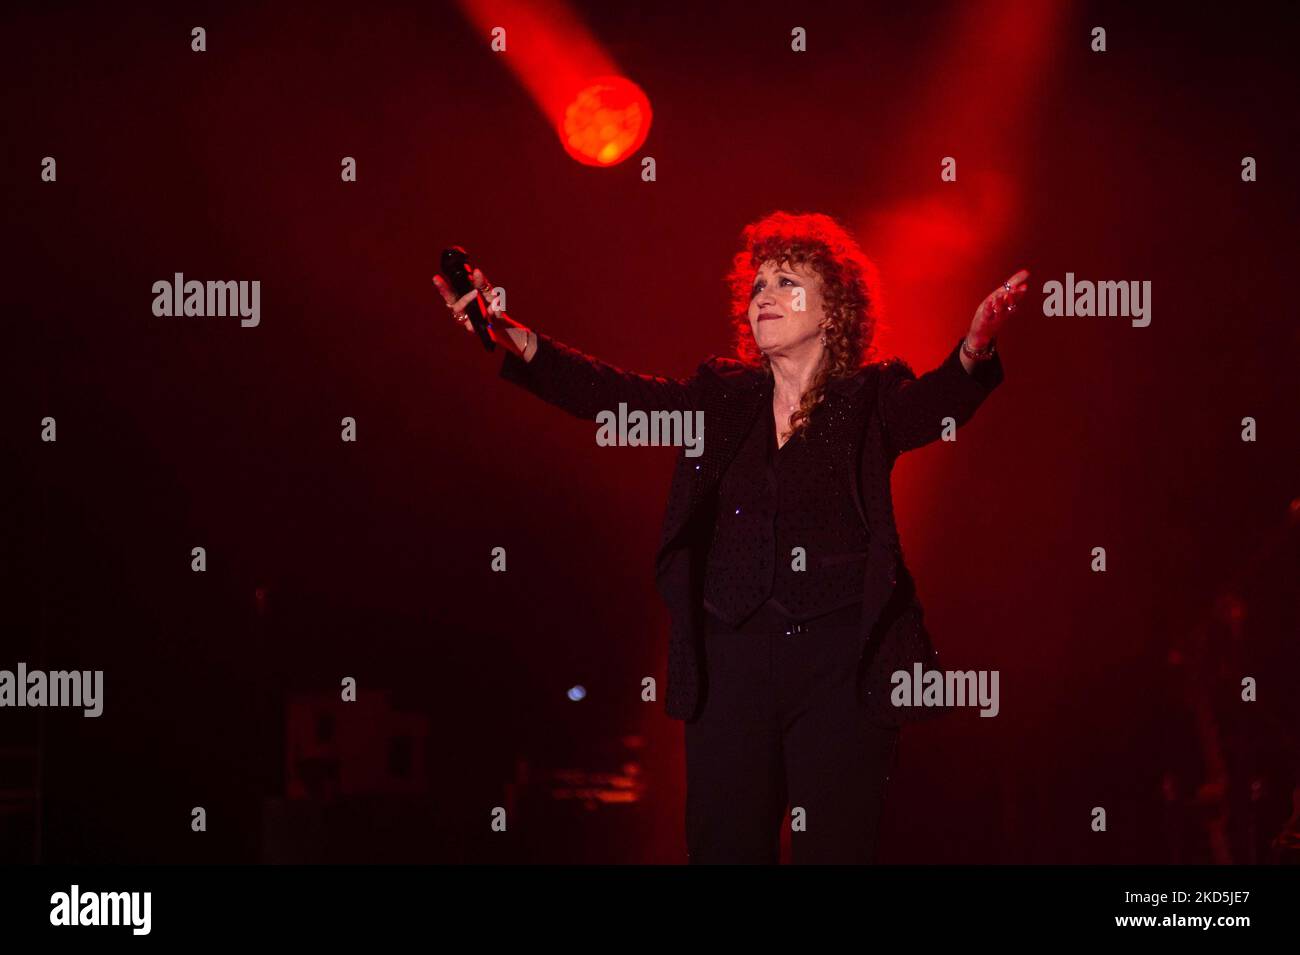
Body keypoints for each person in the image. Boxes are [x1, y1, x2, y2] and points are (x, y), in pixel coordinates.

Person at [434, 211, 1024, 863]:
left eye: (787, 281)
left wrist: (973, 351)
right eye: (758, 283)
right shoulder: (720, 402)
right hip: (730, 665)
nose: (763, 294)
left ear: (833, 308)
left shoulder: (868, 401)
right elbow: (615, 399)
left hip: (840, 670)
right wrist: (515, 336)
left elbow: (931, 408)